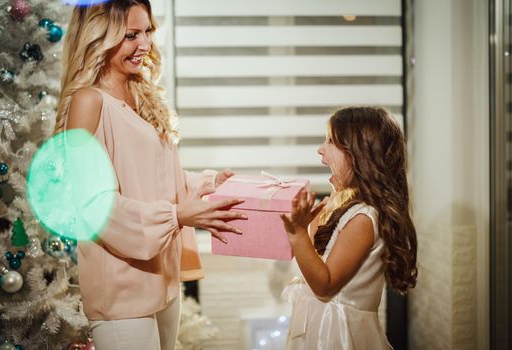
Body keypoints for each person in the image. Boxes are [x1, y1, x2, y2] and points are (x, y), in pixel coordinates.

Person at [53, 1, 246, 349]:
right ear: (98, 37)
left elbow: (150, 176)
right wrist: (175, 215)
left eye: (148, 32)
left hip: (162, 279)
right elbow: (93, 204)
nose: (145, 45)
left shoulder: (141, 92)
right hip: (121, 290)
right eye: (131, 35)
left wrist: (203, 186)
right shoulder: (88, 102)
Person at [280, 106, 418, 350]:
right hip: (319, 328)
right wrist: (308, 227)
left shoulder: (363, 218)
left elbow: (324, 286)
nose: (320, 149)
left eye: (331, 141)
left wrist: (299, 234)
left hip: (338, 337)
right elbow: (315, 261)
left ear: (360, 155)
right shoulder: (342, 208)